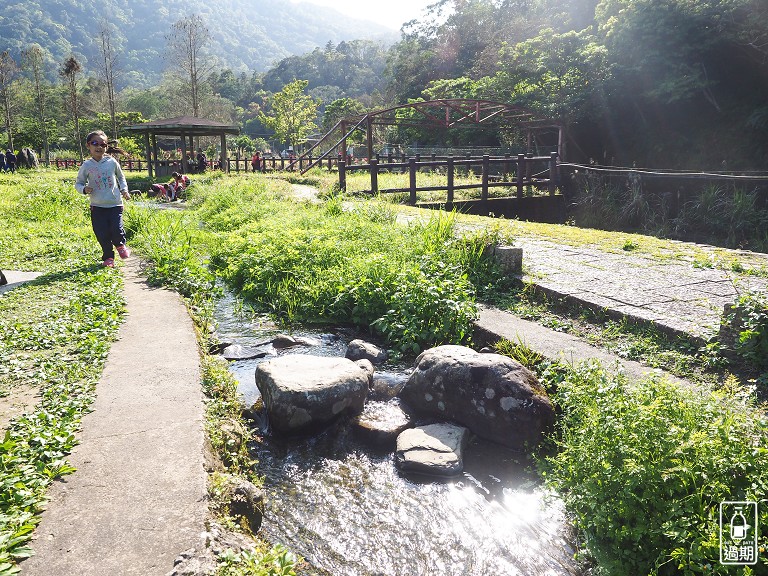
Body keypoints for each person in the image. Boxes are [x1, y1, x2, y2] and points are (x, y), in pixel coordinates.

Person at [75, 130, 131, 268]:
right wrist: (84, 189)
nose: (99, 147)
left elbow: (121, 177)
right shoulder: (87, 166)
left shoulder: (111, 162)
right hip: (97, 206)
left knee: (117, 230)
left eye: (103, 144)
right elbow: (78, 183)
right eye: (95, 143)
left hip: (115, 204)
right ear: (89, 145)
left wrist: (124, 190)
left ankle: (120, 244)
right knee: (101, 234)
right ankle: (108, 258)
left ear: (106, 147)